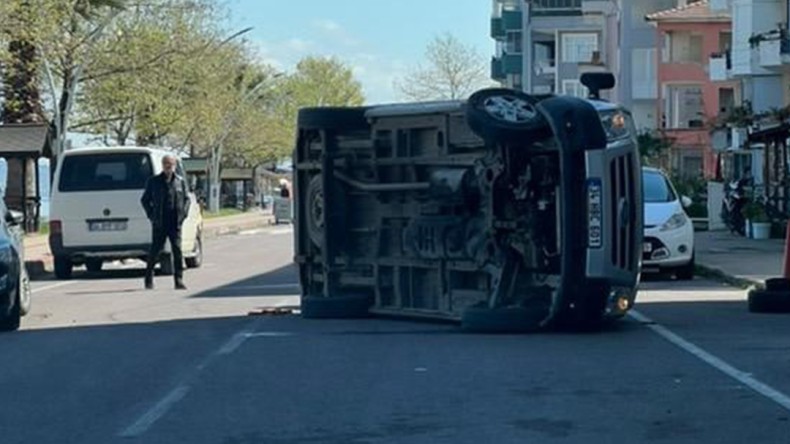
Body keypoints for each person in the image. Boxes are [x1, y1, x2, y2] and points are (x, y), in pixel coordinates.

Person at [140, 154, 190, 290]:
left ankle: (178, 280)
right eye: (166, 164)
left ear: (174, 166)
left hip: (175, 222)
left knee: (177, 251)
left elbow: (187, 199)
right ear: (162, 165)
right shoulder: (154, 181)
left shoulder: (180, 181)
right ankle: (148, 279)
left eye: (171, 164)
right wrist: (152, 215)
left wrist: (183, 214)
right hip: (160, 222)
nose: (169, 167)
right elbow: (145, 200)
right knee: (155, 251)